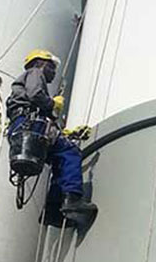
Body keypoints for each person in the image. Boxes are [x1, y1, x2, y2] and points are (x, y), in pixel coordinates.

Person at [6, 49, 97, 225]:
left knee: (59, 161)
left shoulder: (24, 86)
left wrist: (68, 133)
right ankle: (72, 199)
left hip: (24, 128)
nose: (53, 72)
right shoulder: (35, 73)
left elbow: (42, 116)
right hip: (31, 125)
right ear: (40, 63)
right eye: (51, 67)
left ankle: (52, 211)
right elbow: (35, 95)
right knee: (70, 152)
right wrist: (52, 103)